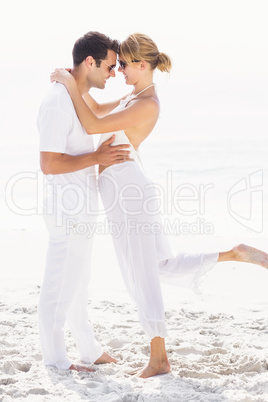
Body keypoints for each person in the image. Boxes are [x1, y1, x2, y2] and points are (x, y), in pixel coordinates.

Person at [51, 33, 268, 378]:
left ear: (142, 64)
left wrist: (66, 81)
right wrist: (71, 80)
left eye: (123, 64)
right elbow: (91, 109)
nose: (118, 70)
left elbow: (91, 124)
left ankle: (159, 358)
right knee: (161, 266)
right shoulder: (133, 96)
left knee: (142, 275)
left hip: (128, 191)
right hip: (125, 190)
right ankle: (233, 254)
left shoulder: (147, 103)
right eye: (116, 64)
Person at [37, 31, 132, 373]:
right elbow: (49, 163)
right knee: (60, 284)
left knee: (78, 281)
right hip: (66, 208)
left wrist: (139, 96)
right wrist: (97, 156)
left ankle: (88, 349)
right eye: (109, 67)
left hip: (80, 206)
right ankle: (56, 361)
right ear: (90, 62)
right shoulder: (58, 102)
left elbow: (101, 115)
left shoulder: (75, 94)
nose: (112, 74)